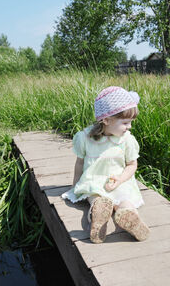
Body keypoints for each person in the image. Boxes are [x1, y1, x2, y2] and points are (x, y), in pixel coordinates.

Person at [62, 86, 150, 244]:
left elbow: (131, 165)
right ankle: (98, 220)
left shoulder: (127, 139)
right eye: (125, 123)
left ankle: (129, 217)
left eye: (130, 122)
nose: (129, 127)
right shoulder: (85, 138)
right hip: (94, 180)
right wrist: (75, 185)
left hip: (119, 180)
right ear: (106, 120)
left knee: (125, 199)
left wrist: (121, 178)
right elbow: (79, 163)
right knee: (95, 199)